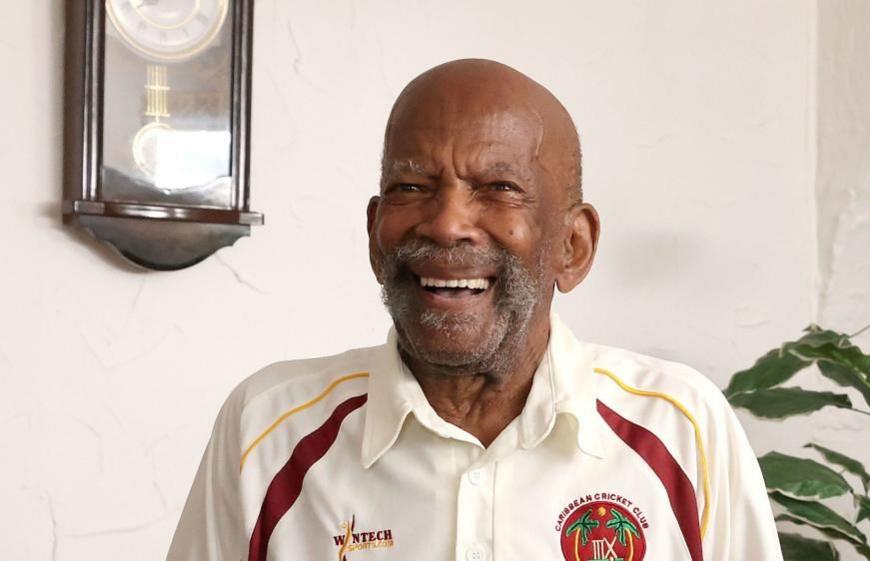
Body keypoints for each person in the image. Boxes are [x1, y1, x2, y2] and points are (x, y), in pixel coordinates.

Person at [166, 59, 782, 561]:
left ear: (573, 246)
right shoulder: (270, 432)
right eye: (412, 187)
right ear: (375, 232)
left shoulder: (681, 429)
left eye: (498, 188)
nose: (447, 223)